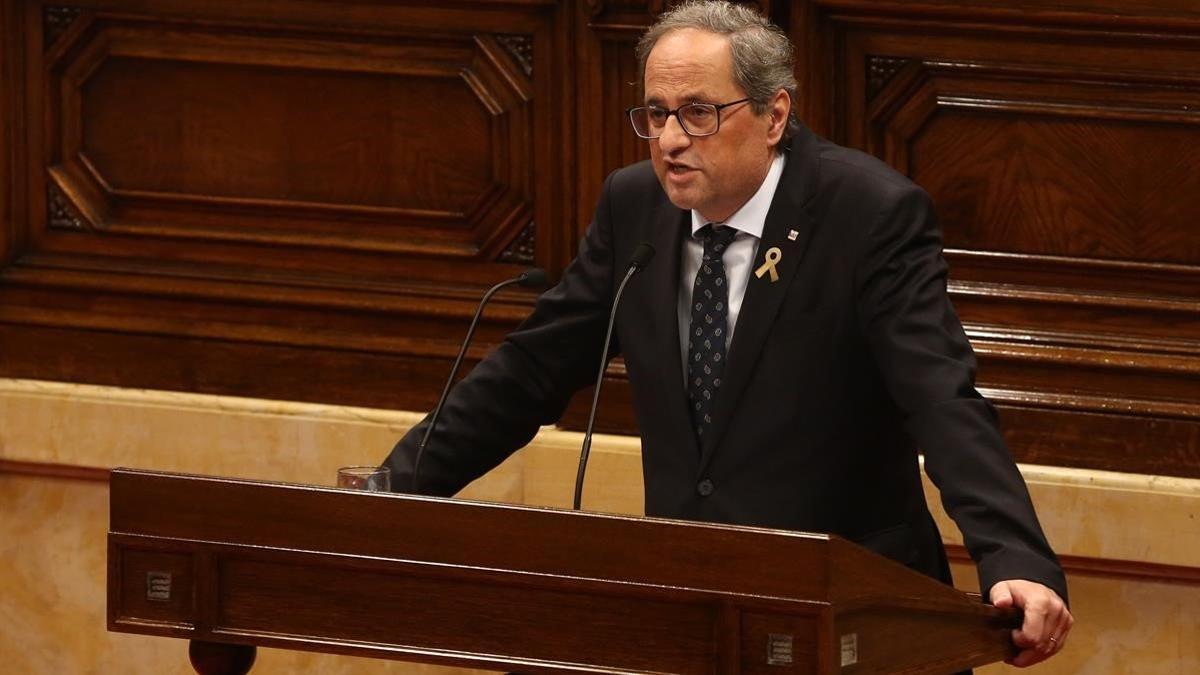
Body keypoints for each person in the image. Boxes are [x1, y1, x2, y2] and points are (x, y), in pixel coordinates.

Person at [383, 0, 1072, 667]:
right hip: (691, 613)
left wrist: (1014, 556)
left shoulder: (866, 213)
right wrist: (388, 495)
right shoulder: (635, 208)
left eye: (699, 113)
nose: (672, 139)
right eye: (656, 115)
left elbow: (941, 398)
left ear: (774, 114)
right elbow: (531, 371)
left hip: (849, 617)